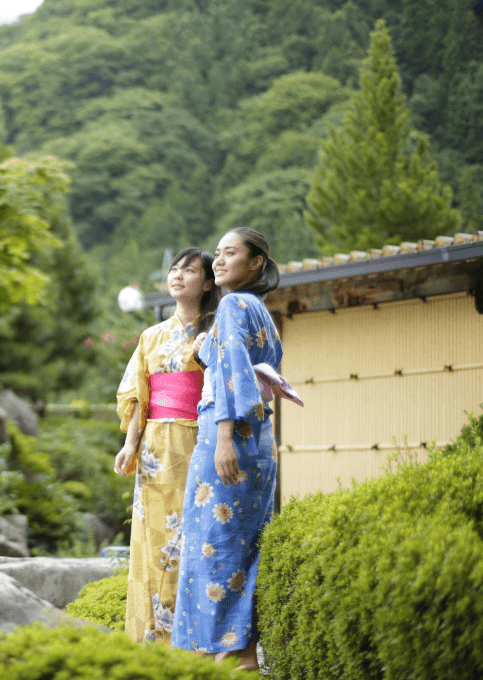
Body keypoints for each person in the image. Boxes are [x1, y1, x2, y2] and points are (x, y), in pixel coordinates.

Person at [170, 227, 282, 672]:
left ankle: (211, 649)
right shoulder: (258, 310)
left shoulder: (235, 304)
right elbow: (252, 370)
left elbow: (234, 371)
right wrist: (206, 350)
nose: (218, 260)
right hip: (256, 440)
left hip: (228, 437)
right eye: (216, 253)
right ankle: (240, 652)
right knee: (241, 547)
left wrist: (222, 436)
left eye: (229, 253)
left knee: (211, 544)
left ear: (255, 263)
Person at [114, 247, 218, 647]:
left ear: (207, 283)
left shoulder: (214, 331)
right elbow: (139, 395)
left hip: (198, 439)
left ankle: (190, 638)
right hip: (155, 446)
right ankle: (148, 636)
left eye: (189, 271)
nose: (178, 276)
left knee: (194, 536)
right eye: (175, 270)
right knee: (151, 539)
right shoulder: (151, 336)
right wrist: (130, 444)